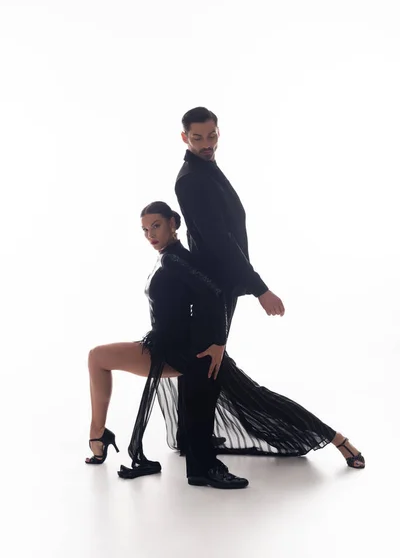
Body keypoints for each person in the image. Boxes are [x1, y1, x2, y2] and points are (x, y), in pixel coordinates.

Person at [85, 202, 365, 489]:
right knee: (98, 358)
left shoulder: (175, 259)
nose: (150, 235)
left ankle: (337, 439)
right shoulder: (170, 257)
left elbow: (216, 293)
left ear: (173, 223)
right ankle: (98, 437)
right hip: (170, 345)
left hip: (180, 351)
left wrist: (219, 341)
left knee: (258, 399)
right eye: (145, 230)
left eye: (156, 226)